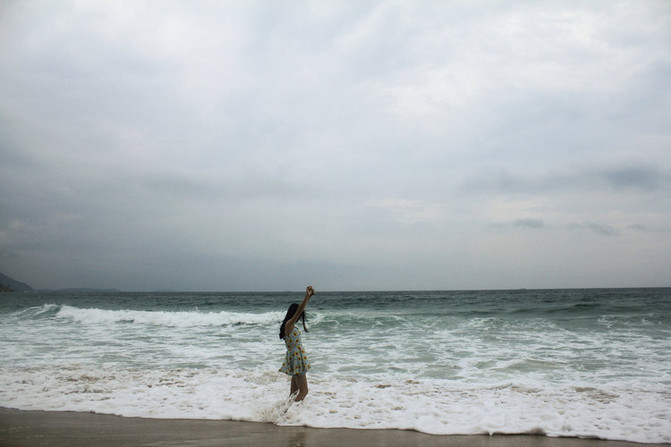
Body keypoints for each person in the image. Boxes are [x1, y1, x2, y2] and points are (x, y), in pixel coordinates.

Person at [279, 285, 315, 401]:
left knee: (294, 392)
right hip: (296, 358)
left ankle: (285, 414)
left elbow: (299, 311)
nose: (299, 317)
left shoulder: (289, 326)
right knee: (304, 391)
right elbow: (299, 311)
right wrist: (307, 297)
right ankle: (290, 414)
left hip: (295, 357)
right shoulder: (289, 324)